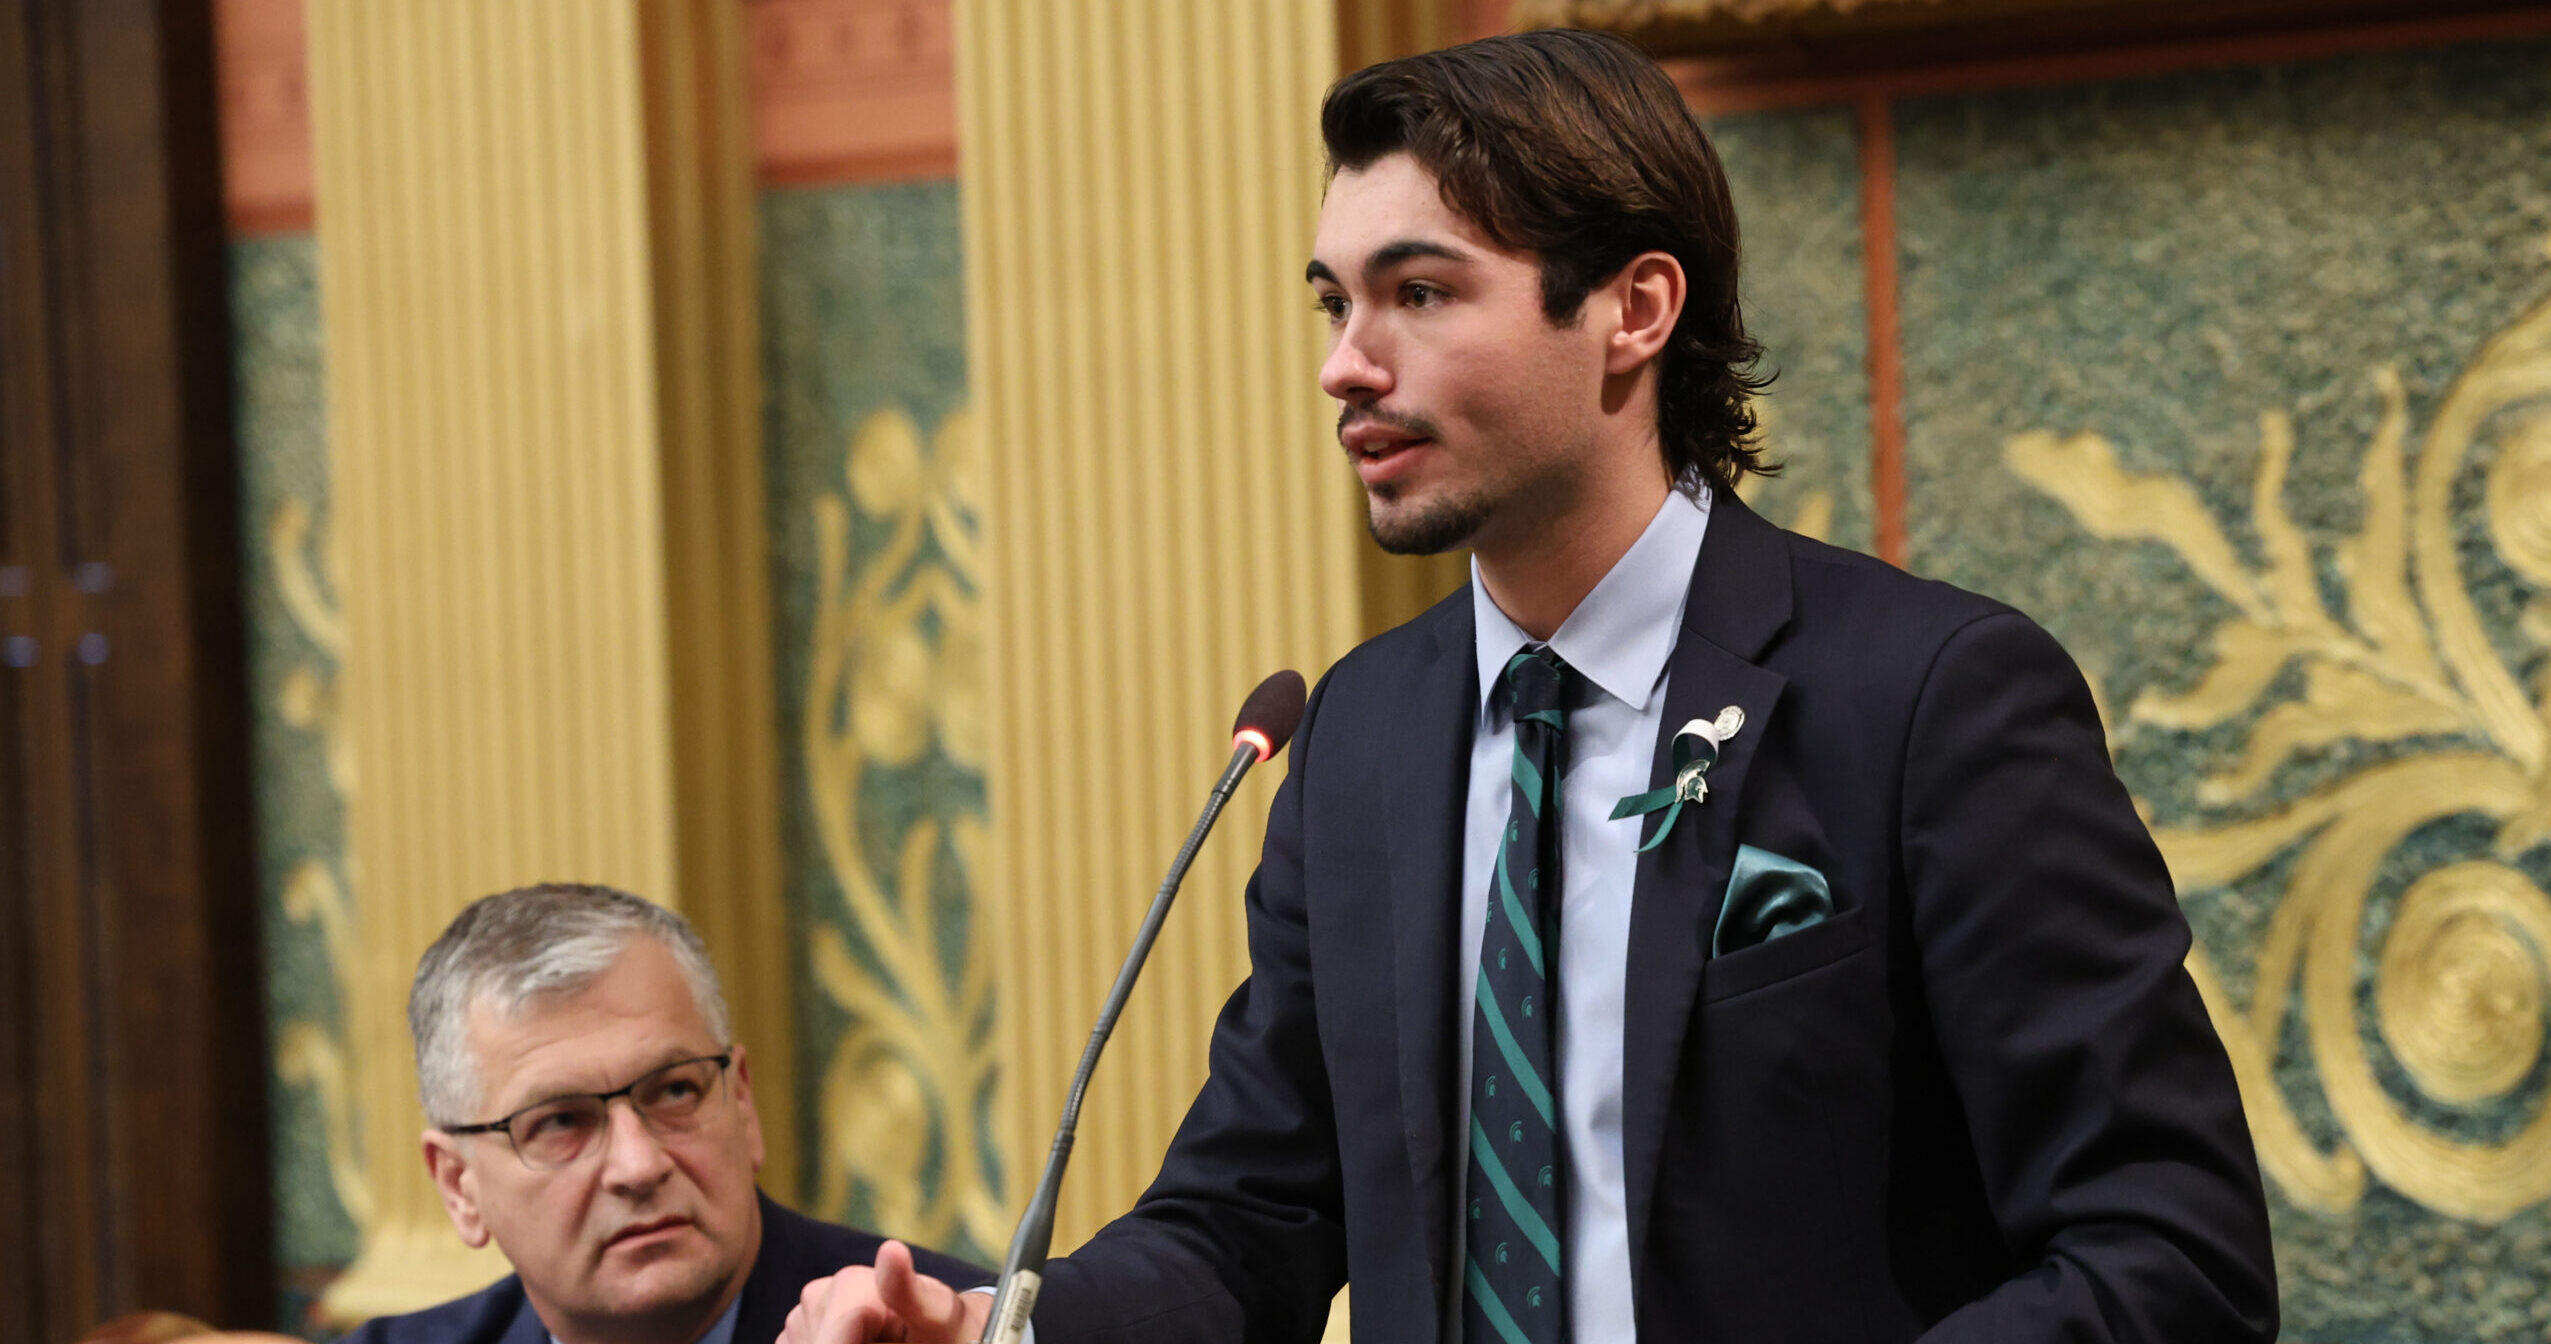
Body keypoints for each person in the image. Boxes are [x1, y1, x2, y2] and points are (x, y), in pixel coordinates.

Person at [786, 28, 2279, 1344]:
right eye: (1334, 303)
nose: (1347, 368)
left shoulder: (1932, 699)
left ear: (1632, 311)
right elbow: (1249, 1223)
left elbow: (2169, 1257)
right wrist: (1000, 1331)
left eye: (1421, 293)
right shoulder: (1359, 738)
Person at [343, 883, 987, 1344]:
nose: (639, 1164)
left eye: (675, 1091)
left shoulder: (946, 1328)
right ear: (460, 1186)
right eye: (561, 1122)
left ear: (741, 1101)